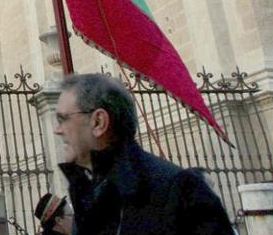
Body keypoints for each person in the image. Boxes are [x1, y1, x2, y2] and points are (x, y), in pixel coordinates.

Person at [54, 72, 233, 235]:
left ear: (99, 122)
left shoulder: (179, 191)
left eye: (63, 119)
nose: (57, 130)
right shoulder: (90, 195)